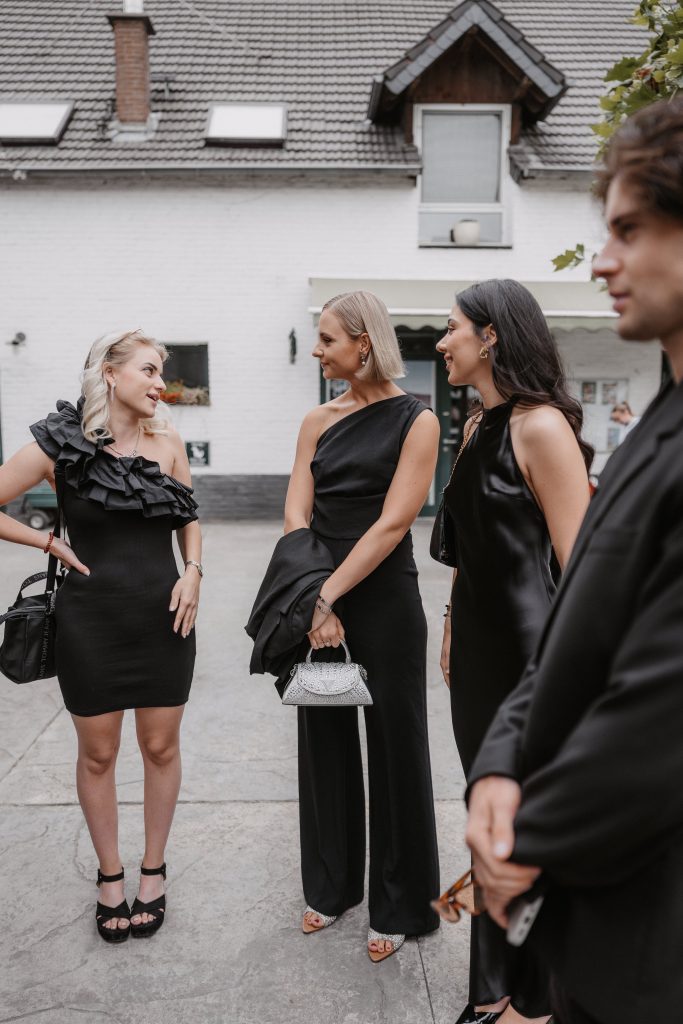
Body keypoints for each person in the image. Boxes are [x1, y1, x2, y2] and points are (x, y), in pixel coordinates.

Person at [464, 98, 683, 1024]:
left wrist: (525, 841)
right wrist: (499, 765)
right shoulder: (649, 430)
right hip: (589, 929)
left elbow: (664, 704)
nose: (601, 260)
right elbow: (571, 628)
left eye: (628, 230)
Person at [0, 329, 202, 942]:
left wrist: (193, 571)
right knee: (99, 753)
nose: (158, 382)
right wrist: (46, 540)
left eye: (162, 370)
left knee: (161, 749)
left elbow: (189, 516)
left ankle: (153, 871)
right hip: (88, 619)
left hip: (165, 618)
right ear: (109, 374)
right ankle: (109, 877)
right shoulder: (60, 444)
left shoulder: (169, 441)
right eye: (148, 369)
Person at [435, 280, 592, 1024]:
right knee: (483, 812)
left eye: (452, 329)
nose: (441, 343)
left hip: (534, 658)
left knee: (523, 826)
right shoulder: (473, 428)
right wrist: (449, 624)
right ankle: (490, 988)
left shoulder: (540, 429)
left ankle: (531, 1001)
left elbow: (586, 570)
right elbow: (468, 552)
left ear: (490, 336)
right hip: (476, 658)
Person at [283, 290, 441, 961]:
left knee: (396, 749)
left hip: (382, 600)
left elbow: (394, 522)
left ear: (363, 344)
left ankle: (401, 903)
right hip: (318, 593)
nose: (317, 351)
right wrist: (313, 595)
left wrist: (332, 598)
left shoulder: (419, 420)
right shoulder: (316, 418)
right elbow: (296, 511)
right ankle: (331, 886)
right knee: (323, 741)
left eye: (325, 339)